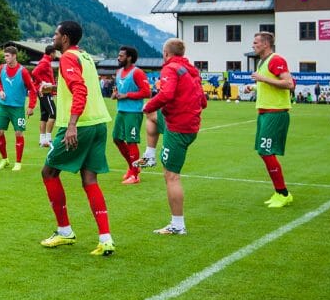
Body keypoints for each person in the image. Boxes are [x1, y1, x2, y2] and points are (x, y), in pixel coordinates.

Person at [39, 21, 116, 257]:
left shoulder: (67, 58)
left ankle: (65, 231)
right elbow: (84, 86)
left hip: (79, 125)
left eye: (55, 34)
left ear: (65, 38)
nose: (53, 37)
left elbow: (80, 90)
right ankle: (106, 239)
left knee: (48, 172)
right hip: (98, 123)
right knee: (90, 179)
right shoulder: (86, 57)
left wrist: (72, 125)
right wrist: (52, 88)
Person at [142, 39, 207, 235]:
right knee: (152, 118)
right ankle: (150, 155)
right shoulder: (190, 71)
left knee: (172, 176)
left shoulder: (170, 69)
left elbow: (167, 94)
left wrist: (148, 105)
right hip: (186, 122)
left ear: (165, 53)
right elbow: (203, 101)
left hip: (178, 127)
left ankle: (177, 225)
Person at [251, 31, 295, 209]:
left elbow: (289, 83)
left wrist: (263, 78)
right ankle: (279, 192)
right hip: (264, 112)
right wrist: (253, 87)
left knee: (267, 152)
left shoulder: (276, 59)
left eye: (256, 42)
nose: (253, 45)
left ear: (266, 44)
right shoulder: (262, 61)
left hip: (275, 113)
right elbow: (270, 83)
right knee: (264, 151)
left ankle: (283, 193)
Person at [0, 46, 37, 171]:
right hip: (3, 106)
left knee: (18, 133)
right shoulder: (2, 68)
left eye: (7, 56)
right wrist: (0, 91)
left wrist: (31, 106)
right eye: (4, 56)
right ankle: (4, 159)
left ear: (14, 56)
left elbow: (32, 89)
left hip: (17, 108)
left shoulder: (23, 71)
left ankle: (18, 162)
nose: (5, 58)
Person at [111, 45, 151, 184]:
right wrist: (115, 94)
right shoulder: (119, 71)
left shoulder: (137, 72)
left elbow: (147, 92)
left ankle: (134, 175)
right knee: (116, 138)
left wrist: (126, 95)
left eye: (121, 56)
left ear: (129, 57)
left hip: (133, 112)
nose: (118, 57)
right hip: (121, 111)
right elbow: (118, 88)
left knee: (131, 141)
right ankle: (132, 167)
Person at [32, 45, 57, 148]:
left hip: (44, 91)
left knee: (44, 115)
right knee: (53, 113)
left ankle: (42, 140)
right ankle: (48, 139)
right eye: (55, 53)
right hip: (45, 91)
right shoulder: (45, 62)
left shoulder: (45, 61)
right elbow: (34, 72)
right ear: (51, 53)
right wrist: (43, 82)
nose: (55, 55)